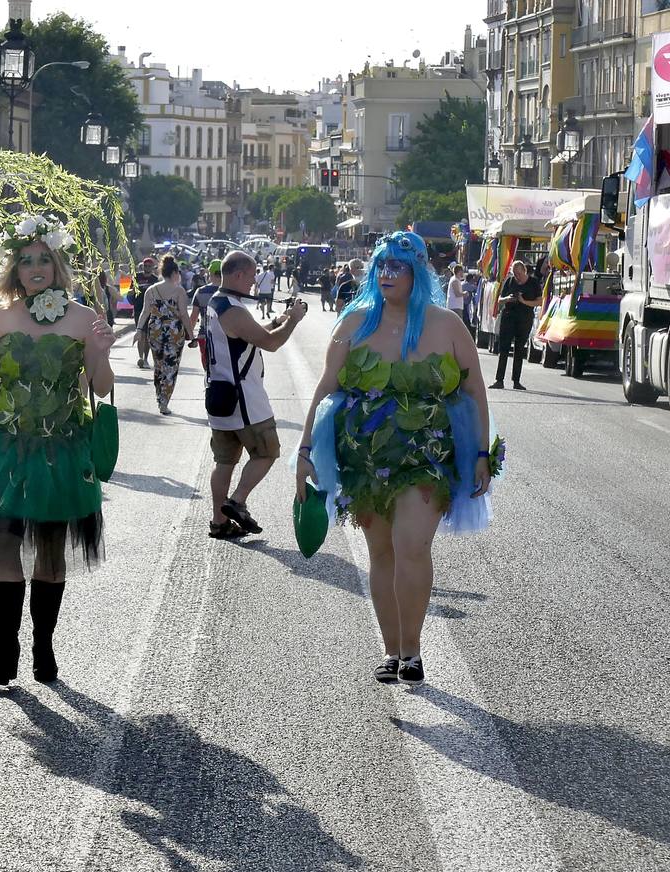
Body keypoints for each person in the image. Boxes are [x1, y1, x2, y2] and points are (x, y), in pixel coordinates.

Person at [295, 231, 496, 685]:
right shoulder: (354, 323)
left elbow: (474, 391)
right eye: (381, 266)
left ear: (417, 273)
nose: (386, 274)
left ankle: (413, 648)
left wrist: (481, 453)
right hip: (364, 462)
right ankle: (390, 650)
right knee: (381, 552)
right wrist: (305, 451)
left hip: (425, 461)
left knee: (412, 546)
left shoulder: (447, 325)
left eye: (397, 267)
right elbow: (327, 389)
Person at [0, 214, 115, 687]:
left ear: (58, 264)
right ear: (14, 269)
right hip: (4, 448)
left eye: (45, 259)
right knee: (3, 544)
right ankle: (6, 650)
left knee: (51, 550)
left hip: (60, 450)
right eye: (27, 261)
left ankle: (44, 646)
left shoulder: (84, 318)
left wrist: (100, 351)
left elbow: (100, 389)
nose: (36, 268)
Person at [204, 251, 306, 539]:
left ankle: (218, 522)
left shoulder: (217, 302)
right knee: (267, 451)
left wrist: (279, 319)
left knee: (224, 462)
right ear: (238, 275)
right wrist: (294, 320)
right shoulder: (234, 310)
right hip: (244, 399)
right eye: (251, 275)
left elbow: (252, 335)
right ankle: (237, 501)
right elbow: (270, 343)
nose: (254, 281)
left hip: (219, 396)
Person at [136, 254, 196, 415]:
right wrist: (192, 335)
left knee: (159, 366)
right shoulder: (179, 291)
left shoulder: (151, 290)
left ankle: (159, 397)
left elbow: (144, 312)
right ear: (175, 272)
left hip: (154, 330)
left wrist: (139, 330)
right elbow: (184, 315)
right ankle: (164, 401)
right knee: (171, 366)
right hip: (174, 332)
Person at [490, 259, 541, 391]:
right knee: (504, 349)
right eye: (514, 274)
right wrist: (508, 299)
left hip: (524, 318)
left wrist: (524, 301)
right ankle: (499, 380)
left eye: (518, 274)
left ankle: (516, 381)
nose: (516, 277)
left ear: (524, 271)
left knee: (519, 350)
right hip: (509, 317)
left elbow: (539, 301)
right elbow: (500, 300)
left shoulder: (533, 283)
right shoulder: (510, 281)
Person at [188, 258, 221, 371]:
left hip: (204, 334)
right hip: (224, 336)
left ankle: (208, 383)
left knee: (207, 366)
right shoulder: (229, 292)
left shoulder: (200, 291)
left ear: (210, 274)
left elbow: (194, 316)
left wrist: (190, 335)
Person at [132, 257, 158, 368]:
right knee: (140, 333)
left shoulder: (155, 279)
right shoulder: (136, 277)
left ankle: (146, 359)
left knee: (148, 336)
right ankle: (140, 357)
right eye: (145, 266)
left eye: (149, 266)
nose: (147, 268)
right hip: (138, 308)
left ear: (152, 267)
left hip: (151, 310)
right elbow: (127, 291)